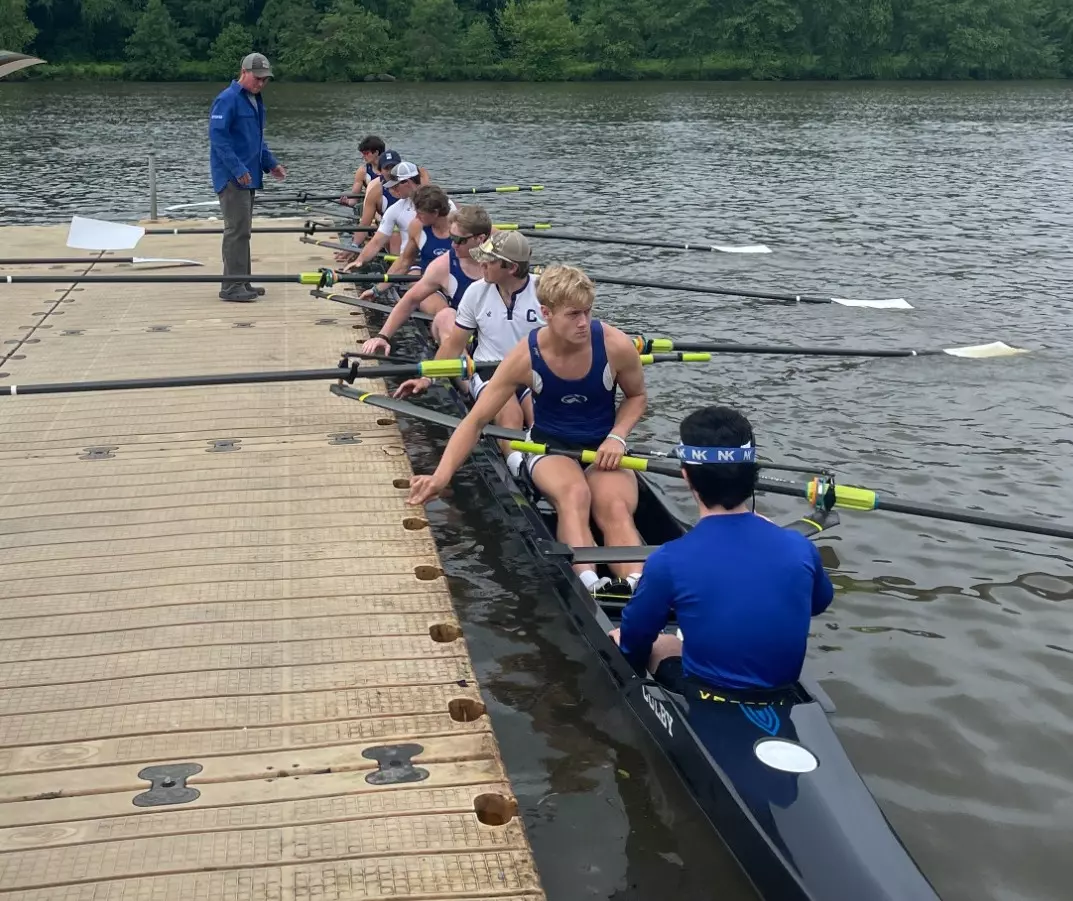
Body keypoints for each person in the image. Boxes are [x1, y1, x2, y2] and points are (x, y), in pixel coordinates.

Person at [407, 263, 647, 597]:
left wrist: (617, 436)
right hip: (550, 446)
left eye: (588, 312)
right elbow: (476, 420)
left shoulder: (615, 345)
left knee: (615, 507)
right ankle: (592, 586)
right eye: (574, 314)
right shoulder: (525, 356)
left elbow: (636, 397)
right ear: (546, 313)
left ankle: (637, 586)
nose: (583, 322)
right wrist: (440, 476)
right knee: (574, 495)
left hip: (603, 444)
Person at [612, 406, 834, 698]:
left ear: (687, 477)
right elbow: (817, 604)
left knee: (634, 640)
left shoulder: (668, 560)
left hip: (707, 693)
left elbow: (634, 642)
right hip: (781, 687)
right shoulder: (799, 546)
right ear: (751, 476)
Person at [394, 231, 542, 465]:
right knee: (509, 414)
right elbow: (454, 344)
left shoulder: (544, 292)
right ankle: (518, 468)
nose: (481, 264)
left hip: (531, 371)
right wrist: (427, 378)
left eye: (489, 260)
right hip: (489, 369)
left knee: (540, 417)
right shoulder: (477, 292)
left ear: (511, 268)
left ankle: (543, 463)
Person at [208, 52, 286, 303]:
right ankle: (231, 287)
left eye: (265, 79)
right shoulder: (227, 99)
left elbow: (257, 141)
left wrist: (271, 164)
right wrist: (238, 169)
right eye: (257, 78)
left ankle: (242, 280)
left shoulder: (255, 100)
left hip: (249, 177)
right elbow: (219, 140)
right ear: (244, 72)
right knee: (236, 230)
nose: (261, 83)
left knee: (243, 231)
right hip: (232, 178)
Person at [360, 205, 490, 351]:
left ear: (480, 238)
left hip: (496, 333)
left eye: (459, 240)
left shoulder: (505, 262)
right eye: (451, 237)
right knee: (445, 316)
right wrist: (382, 336)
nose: (453, 245)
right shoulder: (443, 265)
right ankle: (460, 366)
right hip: (463, 335)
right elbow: (410, 300)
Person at [343, 160, 444, 269]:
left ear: (407, 182)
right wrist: (359, 261)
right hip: (410, 265)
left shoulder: (440, 202)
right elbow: (376, 242)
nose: (392, 190)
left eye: (395, 186)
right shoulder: (395, 209)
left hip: (440, 262)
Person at [342, 135, 386, 206]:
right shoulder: (362, 171)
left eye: (366, 153)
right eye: (363, 154)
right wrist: (347, 202)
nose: (363, 156)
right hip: (374, 206)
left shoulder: (392, 167)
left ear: (376, 152)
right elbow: (354, 198)